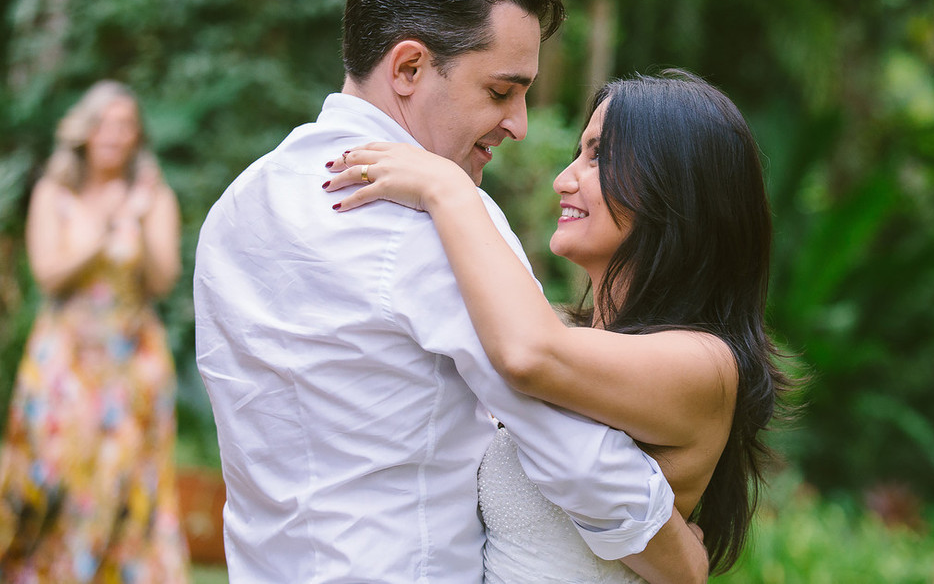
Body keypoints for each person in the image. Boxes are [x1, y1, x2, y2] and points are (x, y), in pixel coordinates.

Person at [193, 0, 708, 583]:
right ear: (408, 66)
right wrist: (677, 552)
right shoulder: (439, 221)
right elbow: (572, 451)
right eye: (501, 90)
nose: (519, 124)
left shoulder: (236, 206)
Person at [326, 69, 788, 579]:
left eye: (599, 156)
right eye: (579, 153)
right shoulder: (573, 337)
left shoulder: (706, 364)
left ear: (677, 185)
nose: (564, 179)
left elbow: (528, 355)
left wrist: (448, 187)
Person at [0, 80, 189, 583]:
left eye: (126, 124)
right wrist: (111, 227)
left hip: (132, 357)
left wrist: (142, 225)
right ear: (86, 130)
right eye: (104, 122)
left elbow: (162, 279)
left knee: (124, 477)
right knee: (53, 468)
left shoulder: (153, 194)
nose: (114, 133)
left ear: (136, 136)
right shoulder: (54, 192)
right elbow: (48, 274)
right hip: (65, 355)